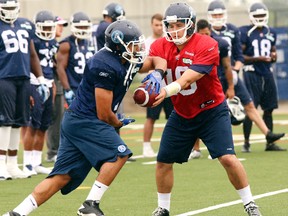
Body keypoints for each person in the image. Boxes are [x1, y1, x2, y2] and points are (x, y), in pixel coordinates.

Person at [2, 19, 167, 216]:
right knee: (120, 154)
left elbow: (158, 59)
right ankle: (90, 204)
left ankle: (17, 213)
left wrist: (157, 73)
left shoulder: (127, 59)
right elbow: (104, 114)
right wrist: (118, 121)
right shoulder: (104, 64)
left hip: (77, 121)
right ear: (118, 45)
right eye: (133, 44)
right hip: (86, 120)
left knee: (62, 177)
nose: (138, 48)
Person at [147, 3, 261, 216]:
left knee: (227, 158)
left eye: (178, 25)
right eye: (170, 25)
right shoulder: (160, 45)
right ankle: (163, 207)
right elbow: (150, 62)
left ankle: (250, 203)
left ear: (190, 26)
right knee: (163, 160)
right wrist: (142, 73)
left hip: (212, 111)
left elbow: (192, 76)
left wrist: (167, 90)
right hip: (182, 113)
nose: (173, 30)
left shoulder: (207, 43)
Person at [189, 19, 285, 158]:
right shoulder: (195, 45)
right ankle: (197, 149)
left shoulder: (220, 43)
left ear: (210, 31)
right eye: (202, 34)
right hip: (206, 81)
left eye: (207, 33)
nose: (205, 37)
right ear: (198, 33)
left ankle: (268, 134)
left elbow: (229, 64)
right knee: (201, 112)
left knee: (249, 105)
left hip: (227, 77)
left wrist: (232, 85)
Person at [0, 0, 49, 180]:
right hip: (4, 77)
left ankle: (12, 164)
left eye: (12, 8)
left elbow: (32, 53)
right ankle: (1, 164)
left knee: (18, 122)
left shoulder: (25, 24)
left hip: (24, 78)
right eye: (6, 9)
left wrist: (41, 78)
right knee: (4, 121)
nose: (9, 12)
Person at [239, 2, 286, 152]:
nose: (259, 18)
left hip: (267, 72)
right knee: (250, 107)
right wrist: (257, 58)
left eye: (261, 15)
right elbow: (241, 56)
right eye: (257, 15)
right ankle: (246, 143)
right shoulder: (245, 32)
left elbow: (272, 53)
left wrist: (273, 56)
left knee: (269, 108)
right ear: (251, 16)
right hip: (252, 72)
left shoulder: (271, 31)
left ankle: (270, 142)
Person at [21, 10, 58, 176]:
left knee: (43, 125)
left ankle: (37, 162)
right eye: (45, 27)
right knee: (31, 125)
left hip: (48, 84)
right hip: (34, 83)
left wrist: (53, 86)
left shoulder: (52, 41)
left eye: (50, 27)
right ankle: (27, 163)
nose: (48, 30)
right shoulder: (32, 40)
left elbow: (51, 66)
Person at [143, 13, 173, 157]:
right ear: (151, 25)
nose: (159, 27)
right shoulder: (147, 42)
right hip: (154, 86)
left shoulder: (170, 41)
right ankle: (146, 146)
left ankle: (172, 145)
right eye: (157, 24)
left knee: (174, 117)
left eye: (162, 25)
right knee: (151, 117)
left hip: (170, 85)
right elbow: (146, 64)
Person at [57, 11, 95, 107]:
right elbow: (60, 68)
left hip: (89, 88)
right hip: (74, 88)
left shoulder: (89, 43)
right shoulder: (66, 44)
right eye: (79, 27)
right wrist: (67, 89)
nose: (82, 30)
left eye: (85, 27)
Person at [46, 15, 68, 163]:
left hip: (57, 82)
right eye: (58, 25)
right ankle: (53, 151)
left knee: (60, 116)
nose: (60, 28)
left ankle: (57, 149)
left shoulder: (55, 43)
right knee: (54, 117)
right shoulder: (48, 43)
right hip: (50, 82)